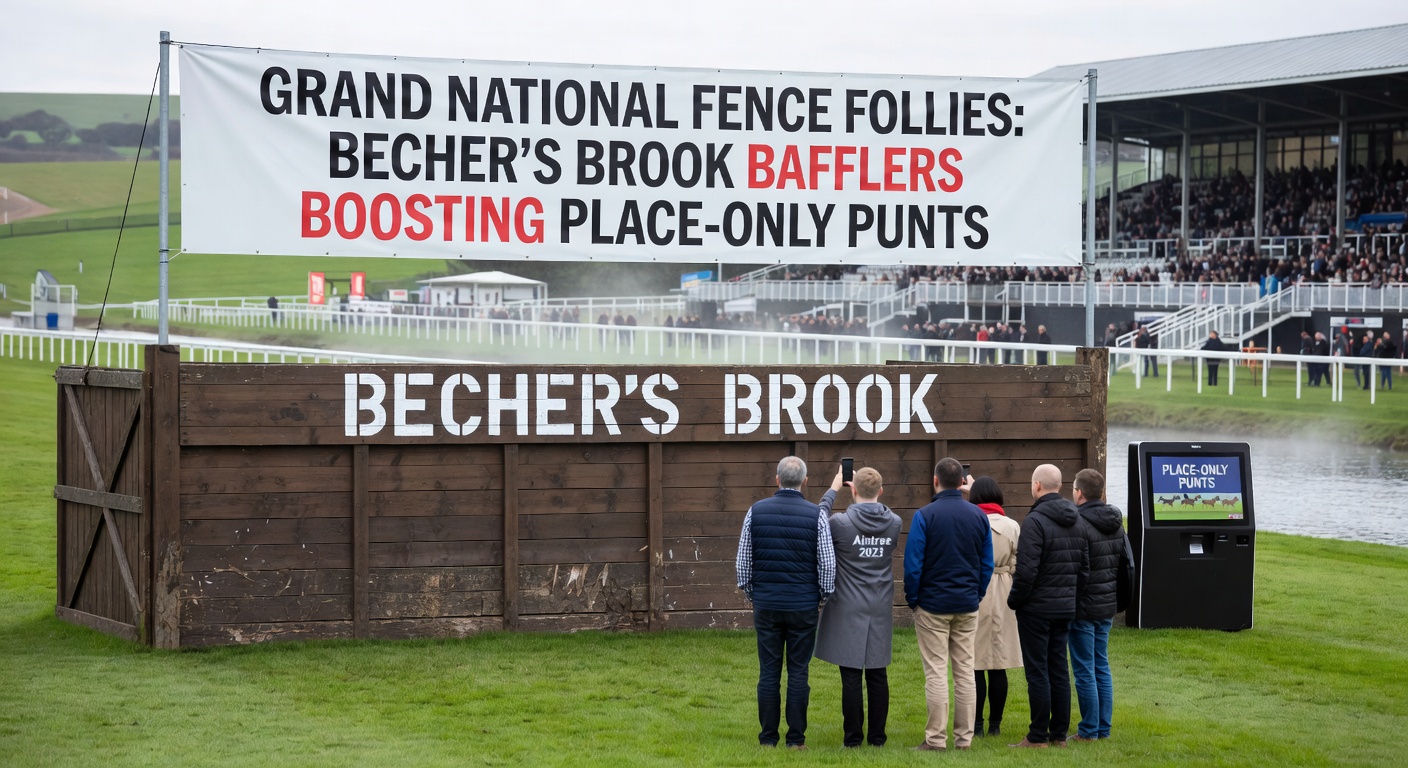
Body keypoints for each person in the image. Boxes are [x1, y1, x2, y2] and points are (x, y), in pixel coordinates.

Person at [735, 456, 835, 749]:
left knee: (768, 671)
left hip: (766, 604)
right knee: (798, 672)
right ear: (805, 482)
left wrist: (756, 596)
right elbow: (828, 567)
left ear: (776, 479)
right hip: (803, 605)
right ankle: (796, 739)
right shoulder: (816, 514)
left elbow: (743, 566)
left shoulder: (756, 511)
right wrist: (820, 598)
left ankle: (767, 739)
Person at [903, 458, 994, 751]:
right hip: (967, 603)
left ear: (935, 481)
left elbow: (913, 565)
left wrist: (913, 600)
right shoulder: (979, 516)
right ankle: (964, 740)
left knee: (936, 672)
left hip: (932, 605)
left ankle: (936, 739)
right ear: (962, 483)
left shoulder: (924, 515)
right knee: (966, 671)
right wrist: (976, 594)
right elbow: (986, 564)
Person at [814, 465, 903, 748]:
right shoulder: (895, 523)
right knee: (878, 672)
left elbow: (817, 519)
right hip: (879, 602)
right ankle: (877, 738)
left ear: (852, 490)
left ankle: (852, 739)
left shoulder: (840, 523)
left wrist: (833, 488)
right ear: (881, 491)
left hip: (847, 603)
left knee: (851, 673)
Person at [1007, 464, 1089, 749]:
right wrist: (1072, 601)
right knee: (1058, 668)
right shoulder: (1078, 519)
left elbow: (1026, 571)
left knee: (1038, 671)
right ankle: (1058, 735)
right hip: (1065, 607)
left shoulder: (1035, 521)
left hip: (1037, 609)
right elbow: (1085, 568)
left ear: (1037, 485)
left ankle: (1037, 735)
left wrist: (1014, 600)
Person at [1068, 469, 1126, 742]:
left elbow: (1077, 568)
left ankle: (1089, 730)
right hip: (1106, 604)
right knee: (1101, 665)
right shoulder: (1116, 523)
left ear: (1079, 492)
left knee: (1084, 669)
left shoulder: (1078, 523)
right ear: (1101, 493)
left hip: (1083, 605)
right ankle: (1104, 728)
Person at [968, 476, 1022, 739]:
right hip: (1005, 590)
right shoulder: (1012, 525)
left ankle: (976, 724)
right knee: (998, 663)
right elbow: (1018, 558)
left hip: (976, 588)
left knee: (976, 662)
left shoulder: (970, 522)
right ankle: (995, 725)